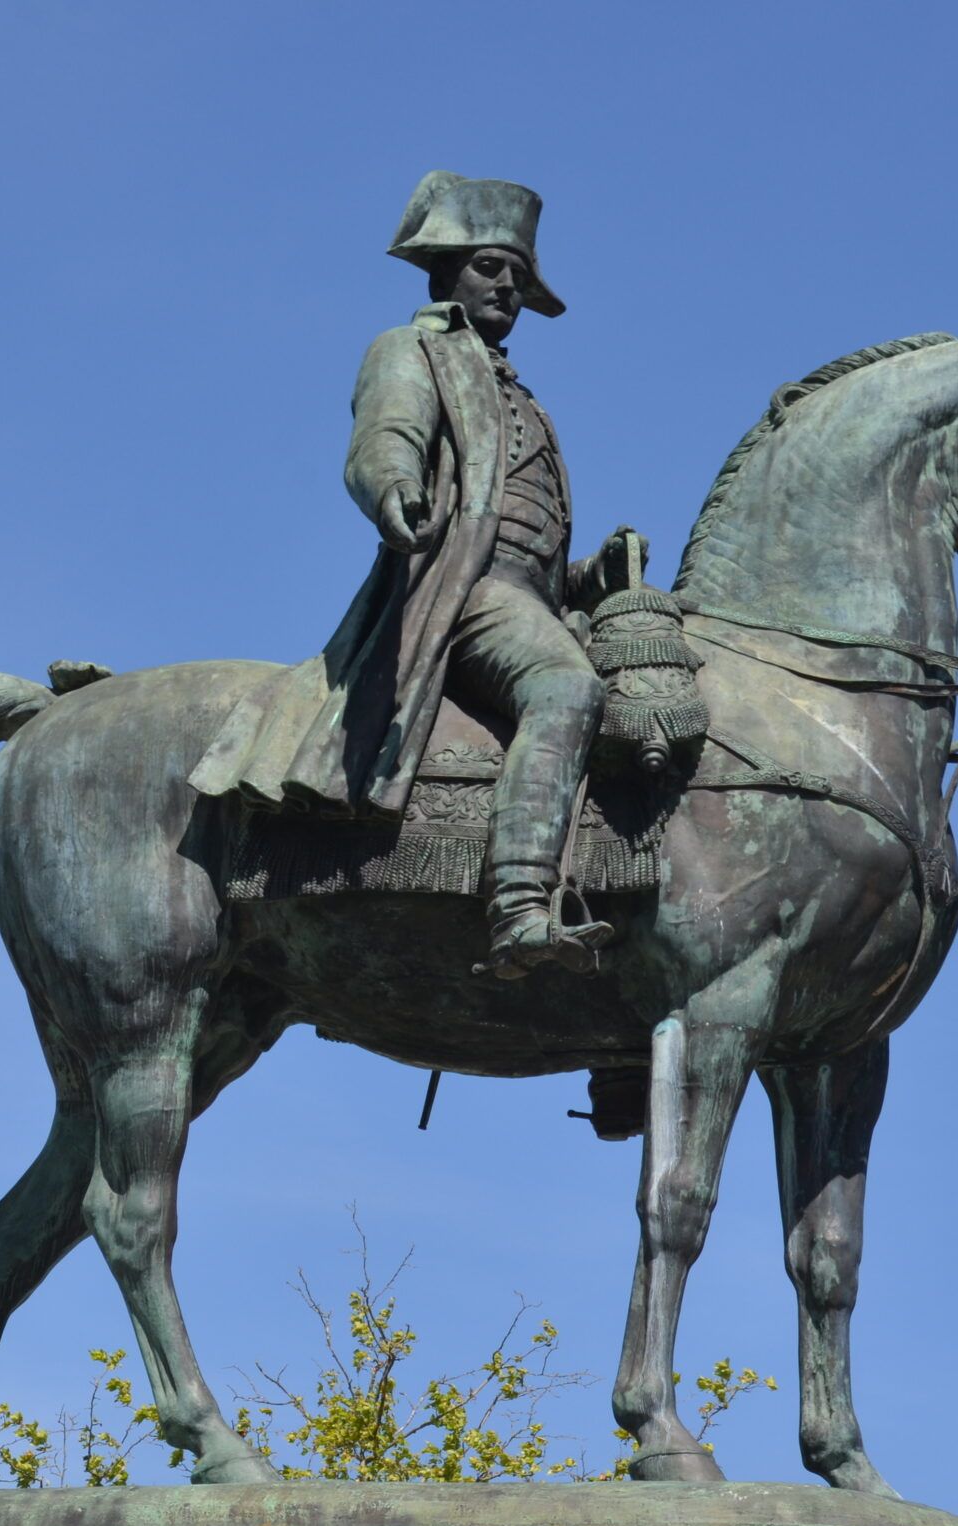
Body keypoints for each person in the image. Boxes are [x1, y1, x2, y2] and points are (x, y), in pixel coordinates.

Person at [191, 171, 642, 977]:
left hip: (519, 596)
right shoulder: (414, 349)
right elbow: (386, 436)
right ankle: (520, 905)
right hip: (461, 590)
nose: (506, 286)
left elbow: (526, 547)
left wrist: (585, 578)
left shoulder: (523, 398)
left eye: (518, 275)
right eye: (490, 267)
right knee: (567, 690)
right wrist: (394, 488)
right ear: (446, 272)